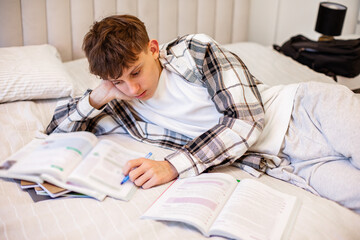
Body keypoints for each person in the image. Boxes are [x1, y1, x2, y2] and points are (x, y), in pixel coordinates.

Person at [46, 15, 360, 213]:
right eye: (118, 81)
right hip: (285, 162)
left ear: (153, 48)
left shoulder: (195, 52)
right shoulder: (119, 101)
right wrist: (98, 96)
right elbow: (55, 131)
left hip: (306, 111)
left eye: (136, 72)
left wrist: (172, 166)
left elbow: (245, 120)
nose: (131, 88)